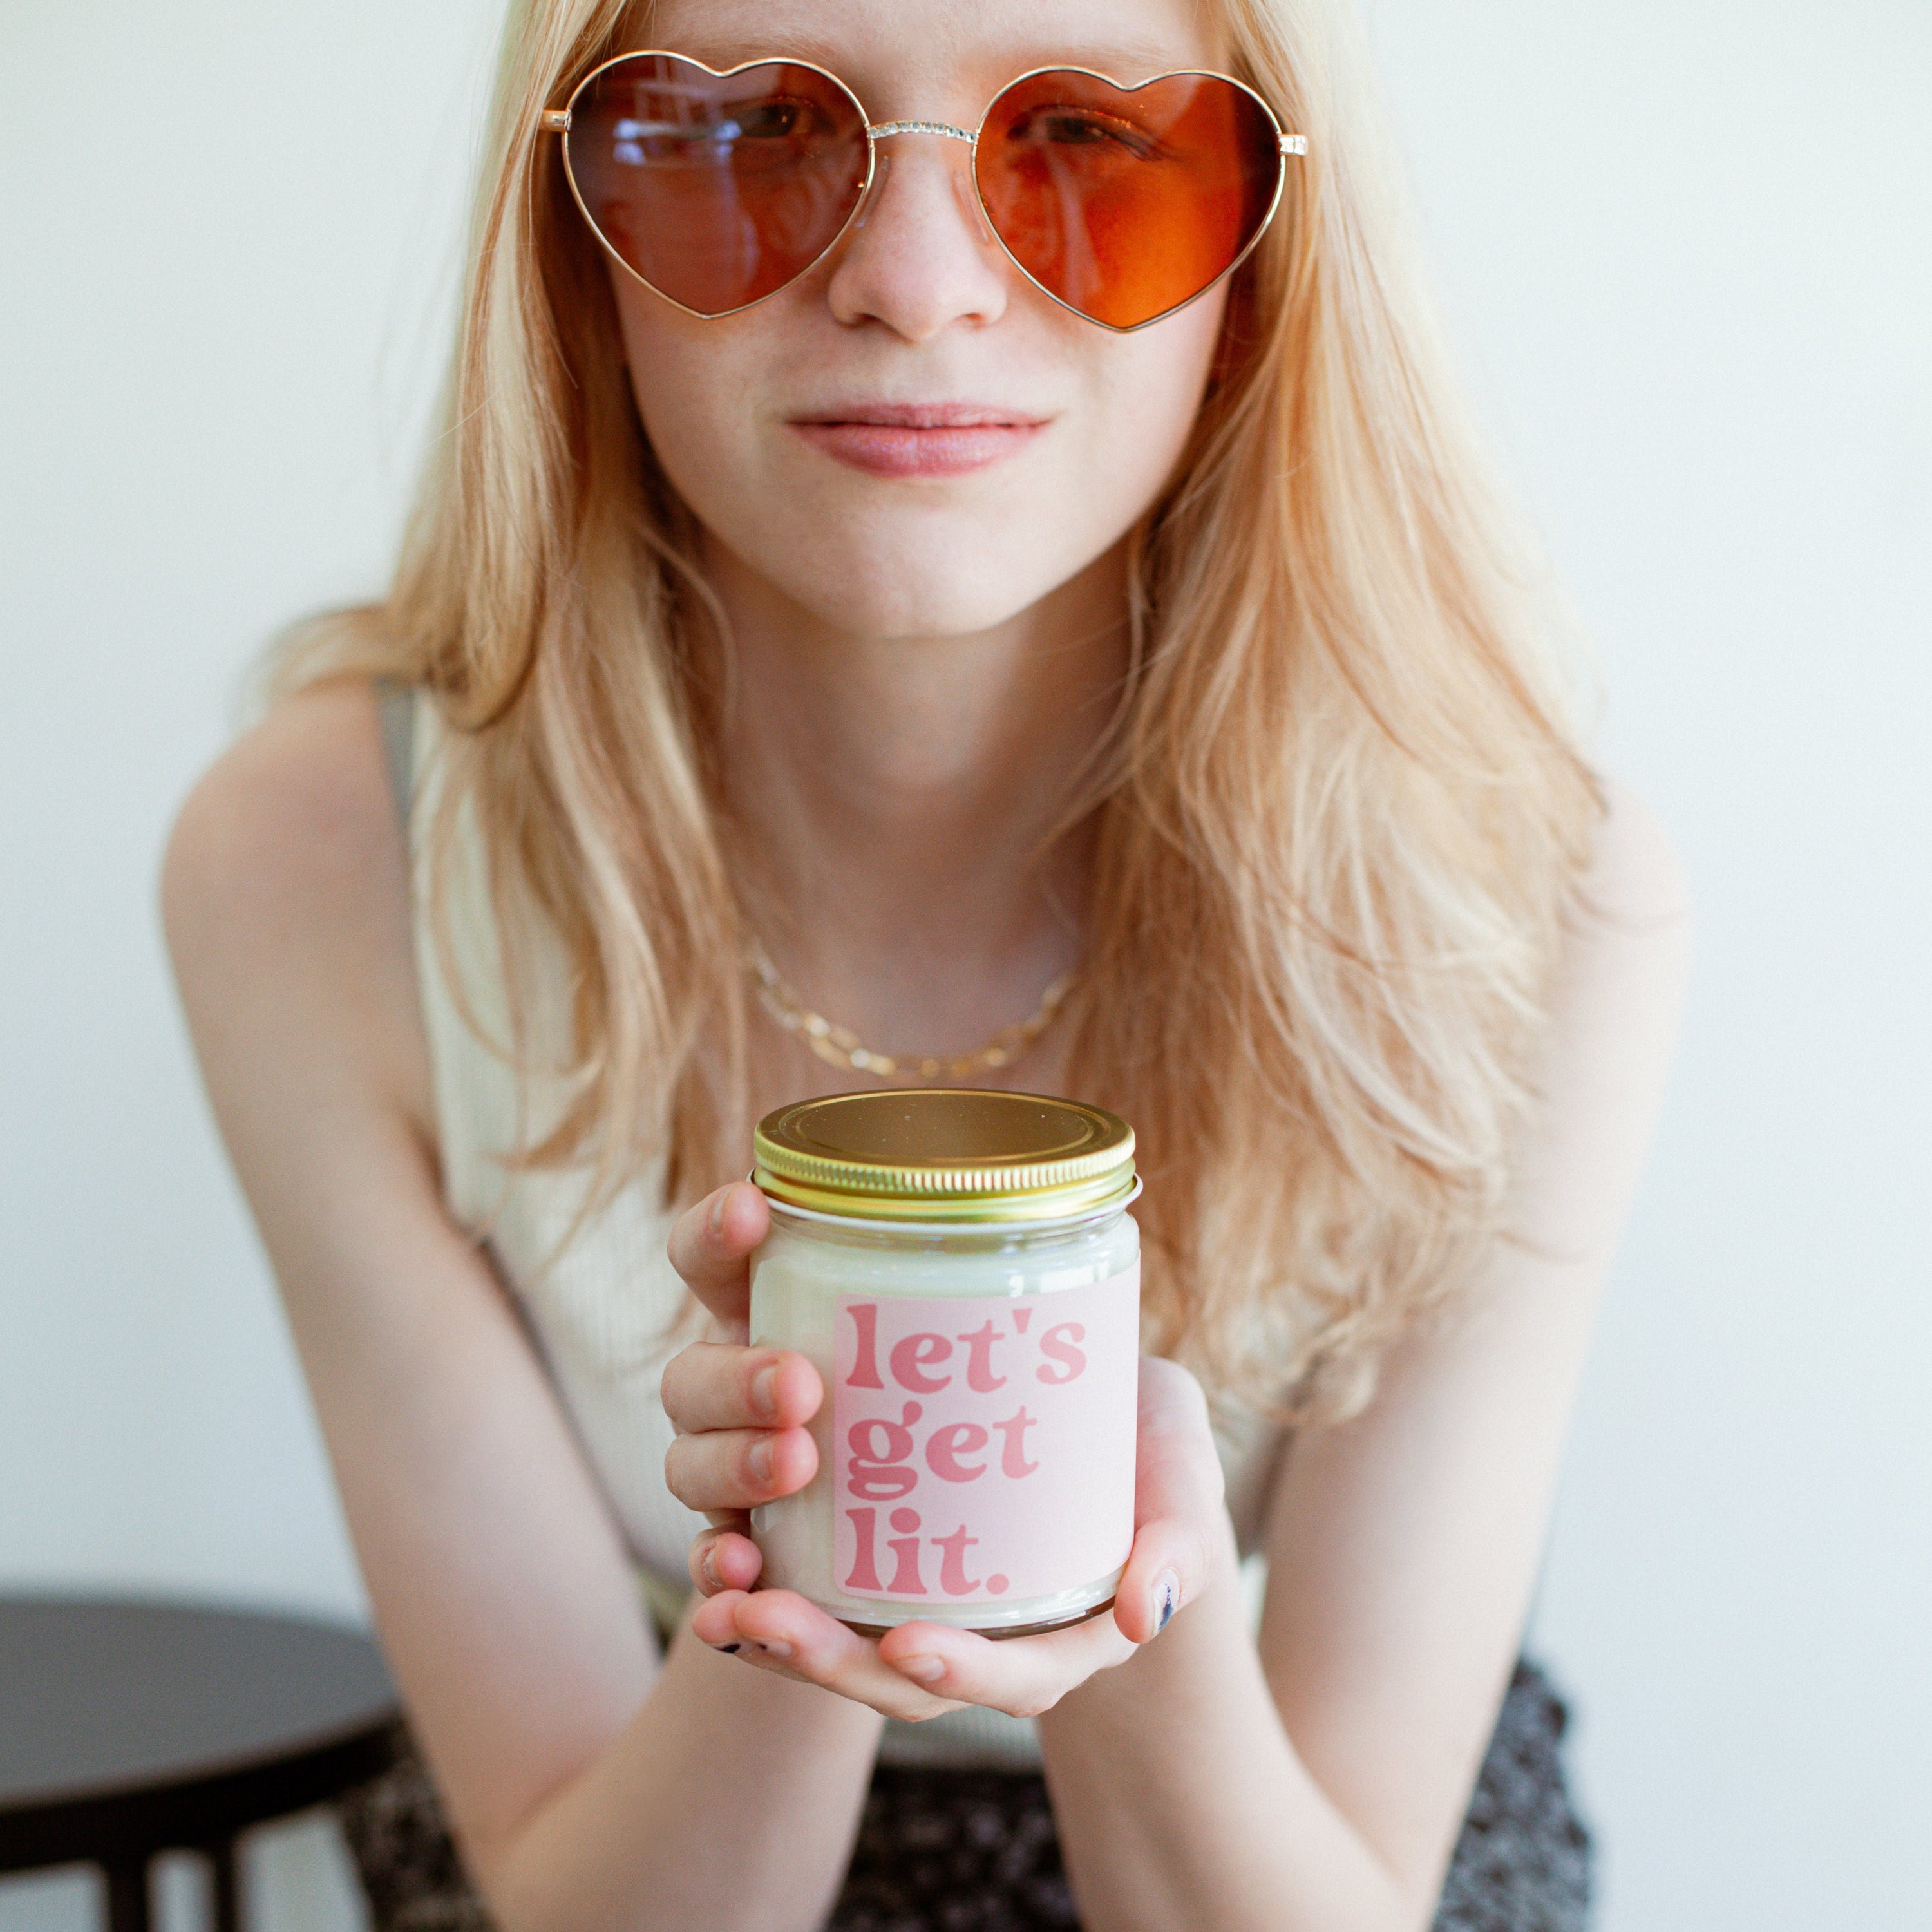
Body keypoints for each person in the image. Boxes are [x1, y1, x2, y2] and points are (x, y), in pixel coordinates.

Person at [162, 0, 1690, 1926]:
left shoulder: (1529, 898)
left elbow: (1323, 1894)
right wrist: (807, 1564)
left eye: (1091, 145)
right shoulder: (320, 867)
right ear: (572, 242)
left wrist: (1101, 1558)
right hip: (654, 1810)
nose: (913, 282)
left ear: (1265, 256)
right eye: (751, 138)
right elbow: (587, 1896)